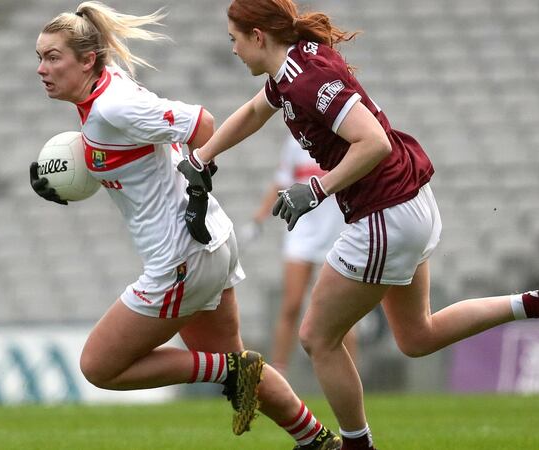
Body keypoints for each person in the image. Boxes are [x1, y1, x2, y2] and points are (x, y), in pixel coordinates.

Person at [181, 1, 539, 449]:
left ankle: (357, 444)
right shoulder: (291, 71)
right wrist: (203, 156)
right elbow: (252, 112)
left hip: (385, 210)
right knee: (416, 335)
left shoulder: (308, 80)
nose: (232, 50)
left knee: (317, 338)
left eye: (234, 39)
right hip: (406, 203)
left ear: (257, 36)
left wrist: (317, 190)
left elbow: (374, 142)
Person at [30, 3, 341, 449]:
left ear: (87, 60)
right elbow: (129, 162)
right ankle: (318, 441)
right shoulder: (101, 95)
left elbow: (202, 124)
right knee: (236, 362)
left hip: (181, 256)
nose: (42, 68)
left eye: (52, 57)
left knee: (99, 366)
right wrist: (66, 180)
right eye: (39, 57)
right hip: (208, 241)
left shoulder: (114, 105)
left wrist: (197, 172)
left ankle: (226, 372)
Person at [245, 134, 356, 375]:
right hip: (302, 231)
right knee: (292, 304)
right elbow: (281, 181)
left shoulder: (344, 136)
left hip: (337, 233)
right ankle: (278, 374)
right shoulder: (295, 142)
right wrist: (259, 218)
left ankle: (351, 376)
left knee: (341, 311)